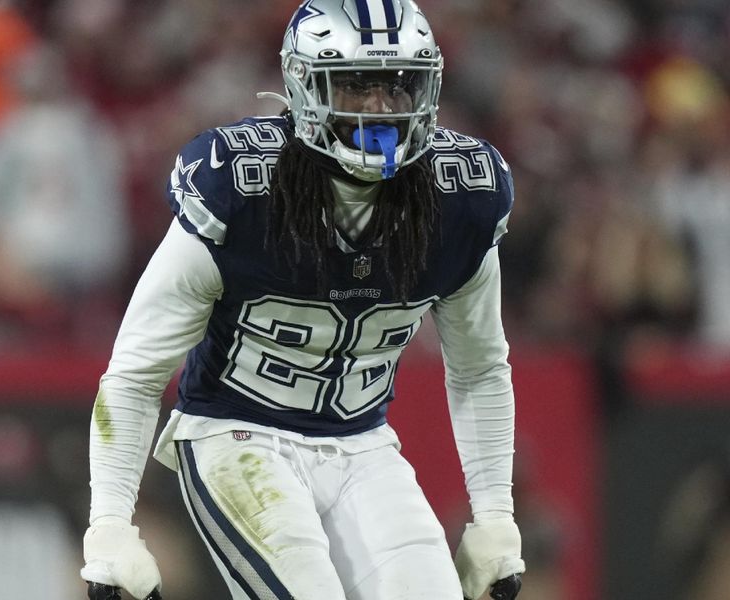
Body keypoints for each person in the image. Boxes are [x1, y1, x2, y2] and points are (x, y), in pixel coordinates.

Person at [81, 1, 525, 599]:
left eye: (398, 85)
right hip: (235, 434)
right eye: (356, 84)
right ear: (303, 85)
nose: (380, 107)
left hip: (362, 441)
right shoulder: (241, 189)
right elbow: (135, 374)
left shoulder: (460, 197)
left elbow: (479, 369)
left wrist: (494, 514)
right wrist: (109, 524)